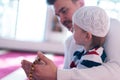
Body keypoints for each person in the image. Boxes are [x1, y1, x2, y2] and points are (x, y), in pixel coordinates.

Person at [21, 0, 120, 80]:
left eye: (64, 11)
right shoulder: (69, 42)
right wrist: (44, 75)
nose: (62, 20)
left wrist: (57, 74)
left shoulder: (112, 26)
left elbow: (117, 71)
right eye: (58, 15)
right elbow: (69, 74)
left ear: (80, 3)